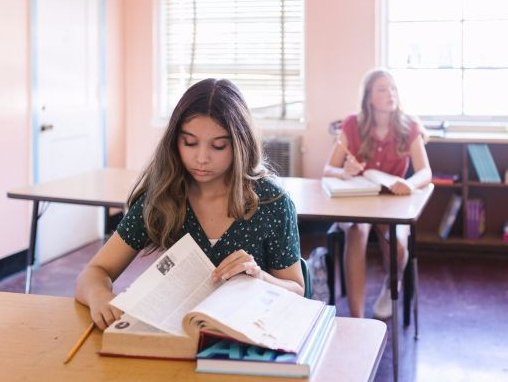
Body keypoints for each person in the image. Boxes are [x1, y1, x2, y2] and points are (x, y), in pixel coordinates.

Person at [75, 78, 304, 330]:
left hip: (247, 333)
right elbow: (95, 271)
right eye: (190, 143)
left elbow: (296, 290)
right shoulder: (163, 197)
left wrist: (259, 276)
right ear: (175, 141)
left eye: (219, 146)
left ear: (240, 145)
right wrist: (100, 297)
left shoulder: (272, 203)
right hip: (178, 332)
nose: (202, 158)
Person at [323, 69, 432, 319]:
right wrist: (345, 172)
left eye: (392, 88)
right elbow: (328, 170)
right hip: (357, 200)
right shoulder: (352, 124)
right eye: (382, 89)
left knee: (398, 246)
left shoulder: (409, 126)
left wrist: (411, 185)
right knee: (356, 231)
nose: (390, 94)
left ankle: (391, 284)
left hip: (391, 202)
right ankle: (357, 318)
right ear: (369, 98)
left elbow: (425, 171)